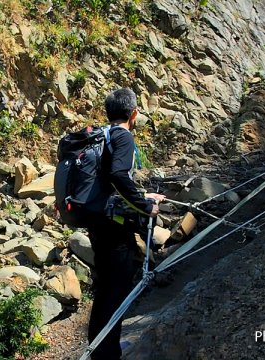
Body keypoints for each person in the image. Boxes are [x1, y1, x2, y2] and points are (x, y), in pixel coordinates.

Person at [86, 88, 166, 359]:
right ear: (133, 113)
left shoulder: (102, 136)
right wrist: (146, 206)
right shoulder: (123, 137)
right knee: (117, 290)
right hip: (114, 228)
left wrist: (143, 195)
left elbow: (109, 182)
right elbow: (119, 175)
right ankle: (107, 354)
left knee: (106, 289)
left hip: (97, 222)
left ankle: (101, 349)